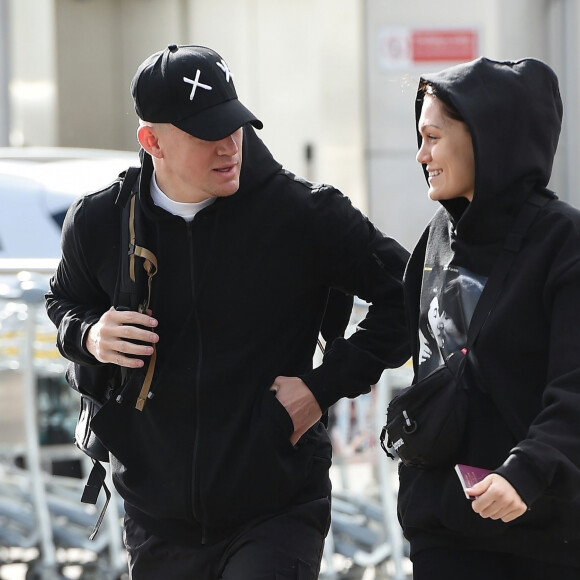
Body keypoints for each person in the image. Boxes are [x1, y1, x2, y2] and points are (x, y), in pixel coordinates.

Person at [45, 44, 410, 579]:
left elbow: (408, 294)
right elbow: (63, 303)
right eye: (206, 133)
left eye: (234, 126)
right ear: (152, 141)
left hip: (277, 506)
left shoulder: (302, 213)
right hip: (155, 515)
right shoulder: (100, 220)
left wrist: (324, 385)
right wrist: (89, 333)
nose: (229, 147)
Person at [397, 56, 580, 580]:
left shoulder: (563, 243)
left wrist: (524, 472)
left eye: (433, 137)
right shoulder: (434, 239)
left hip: (542, 534)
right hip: (441, 531)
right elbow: (398, 339)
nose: (420, 154)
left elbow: (574, 388)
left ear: (486, 137)